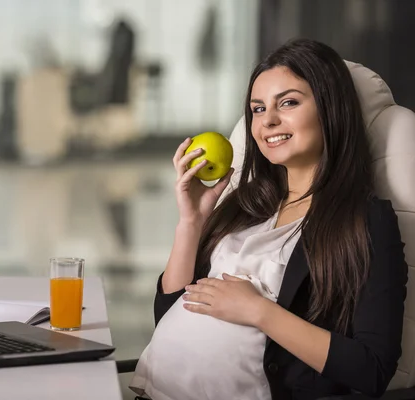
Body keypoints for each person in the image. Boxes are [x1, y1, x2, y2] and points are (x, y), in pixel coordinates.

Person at [129, 38, 408, 400]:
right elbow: (169, 313)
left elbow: (372, 369)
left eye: (288, 102)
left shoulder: (365, 222)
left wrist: (260, 311)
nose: (268, 121)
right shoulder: (244, 206)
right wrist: (191, 223)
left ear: (330, 109)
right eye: (257, 109)